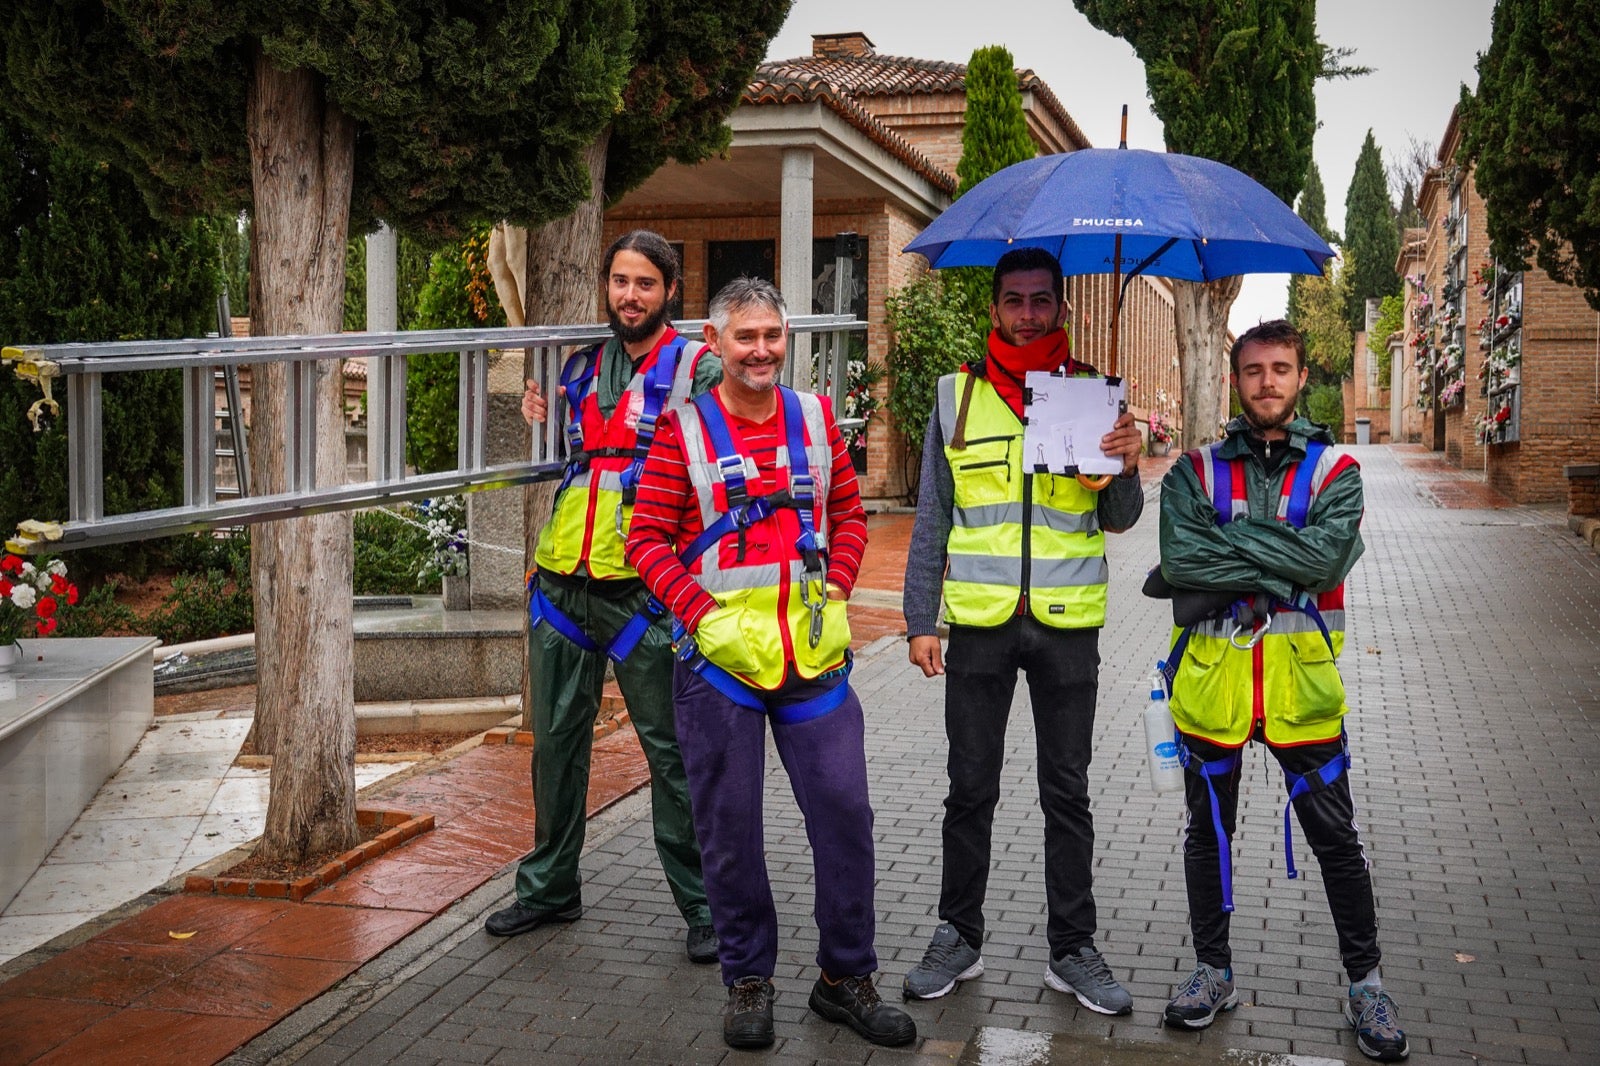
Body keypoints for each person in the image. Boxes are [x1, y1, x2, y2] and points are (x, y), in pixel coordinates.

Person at [625, 276, 916, 1051]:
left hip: (812, 660)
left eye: (772, 336)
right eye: (745, 337)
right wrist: (699, 615)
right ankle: (747, 978)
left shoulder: (816, 419)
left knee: (845, 815)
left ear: (787, 340)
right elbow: (644, 540)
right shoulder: (682, 432)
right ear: (715, 344)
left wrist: (842, 584)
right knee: (730, 830)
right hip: (721, 666)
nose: (761, 351)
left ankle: (845, 979)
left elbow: (850, 512)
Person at [901, 247, 1145, 1014]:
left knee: (1066, 792)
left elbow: (1122, 519)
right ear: (995, 309)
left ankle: (1073, 949)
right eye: (1015, 300)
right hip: (977, 624)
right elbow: (933, 516)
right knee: (968, 789)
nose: (1030, 313)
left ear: (1063, 310)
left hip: (1068, 626)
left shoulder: (1094, 397)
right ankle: (957, 936)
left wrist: (1127, 466)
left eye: (1043, 301)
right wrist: (918, 620)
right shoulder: (955, 396)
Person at [1156, 319, 1407, 1061]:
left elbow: (1328, 559)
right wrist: (1282, 566)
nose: (1268, 382)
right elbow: (1180, 558)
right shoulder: (1193, 470)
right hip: (1212, 689)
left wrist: (1230, 554)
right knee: (1209, 839)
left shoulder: (1337, 471)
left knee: (1337, 842)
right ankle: (1213, 971)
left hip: (1300, 693)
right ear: (1236, 380)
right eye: (1254, 370)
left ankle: (1367, 984)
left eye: (1281, 369)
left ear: (1301, 378)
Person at [484, 230, 718, 966]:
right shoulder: (582, 368)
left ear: (671, 290)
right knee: (555, 748)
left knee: (672, 757)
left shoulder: (699, 371)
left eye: (645, 282)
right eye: (619, 281)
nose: (629, 295)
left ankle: (706, 906)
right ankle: (551, 886)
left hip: (647, 596)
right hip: (561, 587)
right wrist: (533, 404)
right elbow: (569, 451)